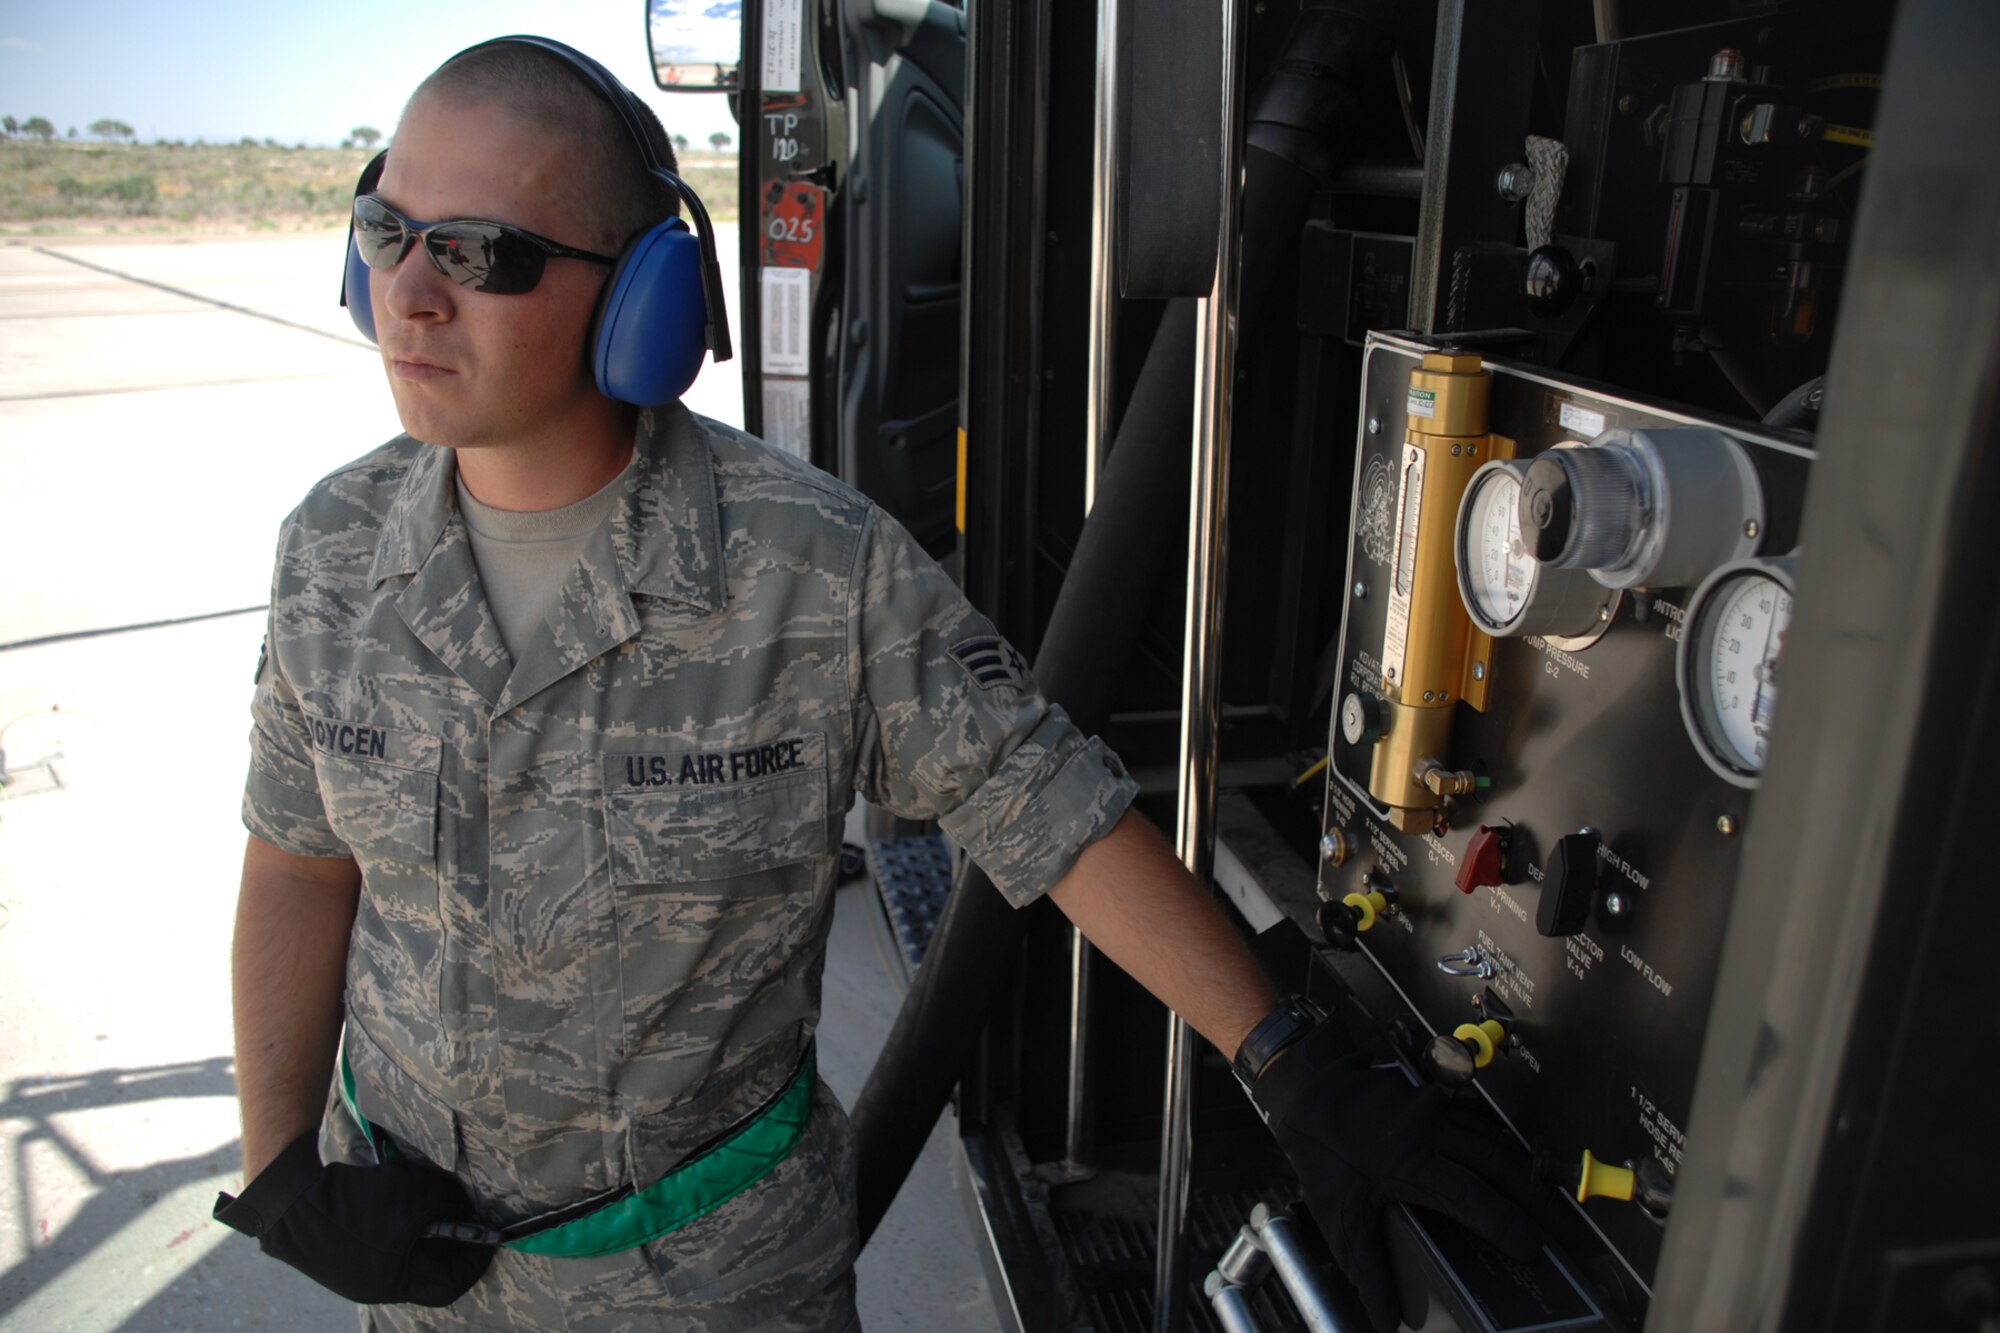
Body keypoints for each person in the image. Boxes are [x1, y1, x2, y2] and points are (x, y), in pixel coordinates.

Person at [214, 36, 1534, 1333]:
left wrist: (1289, 1059)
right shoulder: (331, 551)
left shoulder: (805, 563)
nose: (410, 296)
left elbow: (1051, 809)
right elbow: (297, 858)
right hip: (418, 1275)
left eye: (478, 253)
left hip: (718, 1292)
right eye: (388, 231)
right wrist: (281, 1168)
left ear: (642, 294)